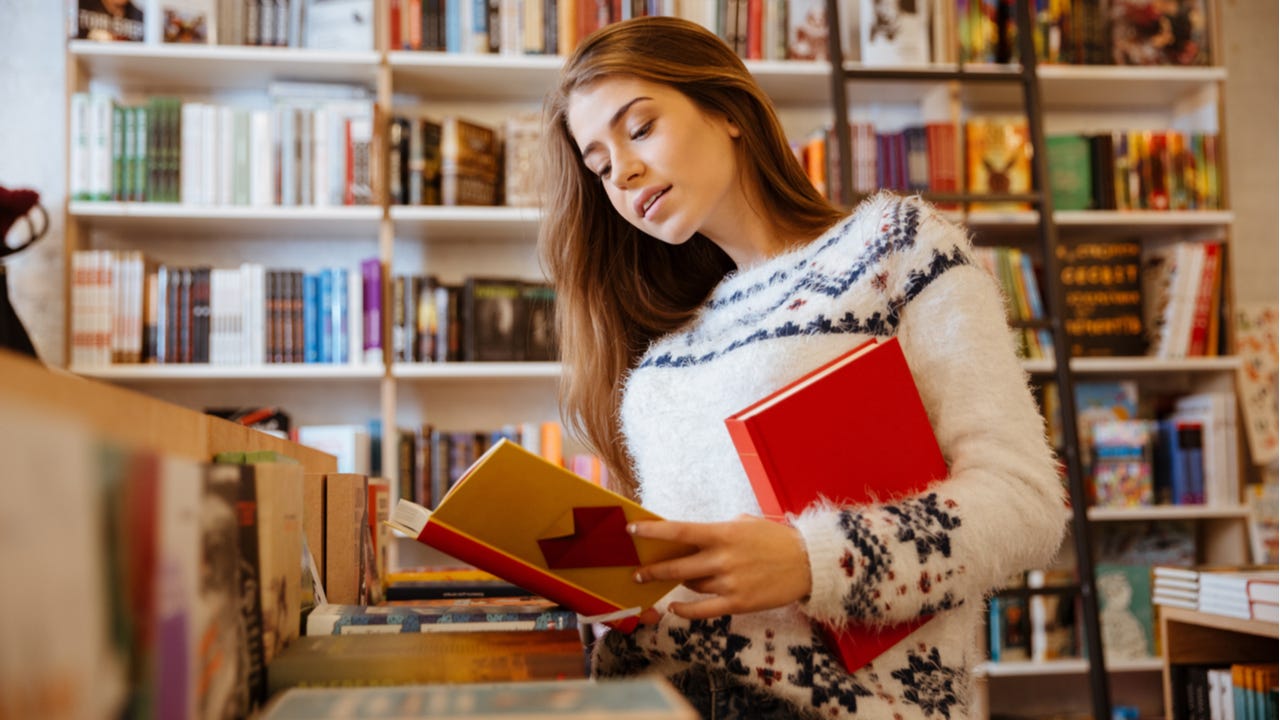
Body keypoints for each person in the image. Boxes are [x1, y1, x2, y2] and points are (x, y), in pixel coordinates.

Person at [538, 15, 1066, 720]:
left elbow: (1025, 503)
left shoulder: (892, 249)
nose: (624, 172)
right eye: (600, 166)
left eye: (638, 129)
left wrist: (811, 558)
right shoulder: (670, 349)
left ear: (727, 110)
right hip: (654, 694)